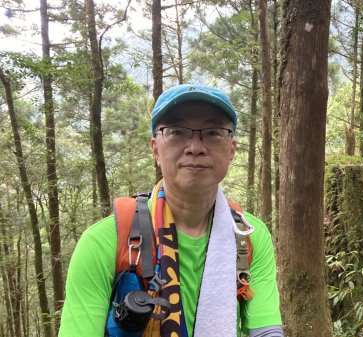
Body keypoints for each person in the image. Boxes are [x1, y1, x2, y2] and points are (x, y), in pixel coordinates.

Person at [59, 84, 283, 337]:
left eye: (212, 133)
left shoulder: (248, 236)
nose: (195, 147)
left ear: (231, 149)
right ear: (156, 148)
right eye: (177, 132)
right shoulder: (105, 240)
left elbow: (266, 332)